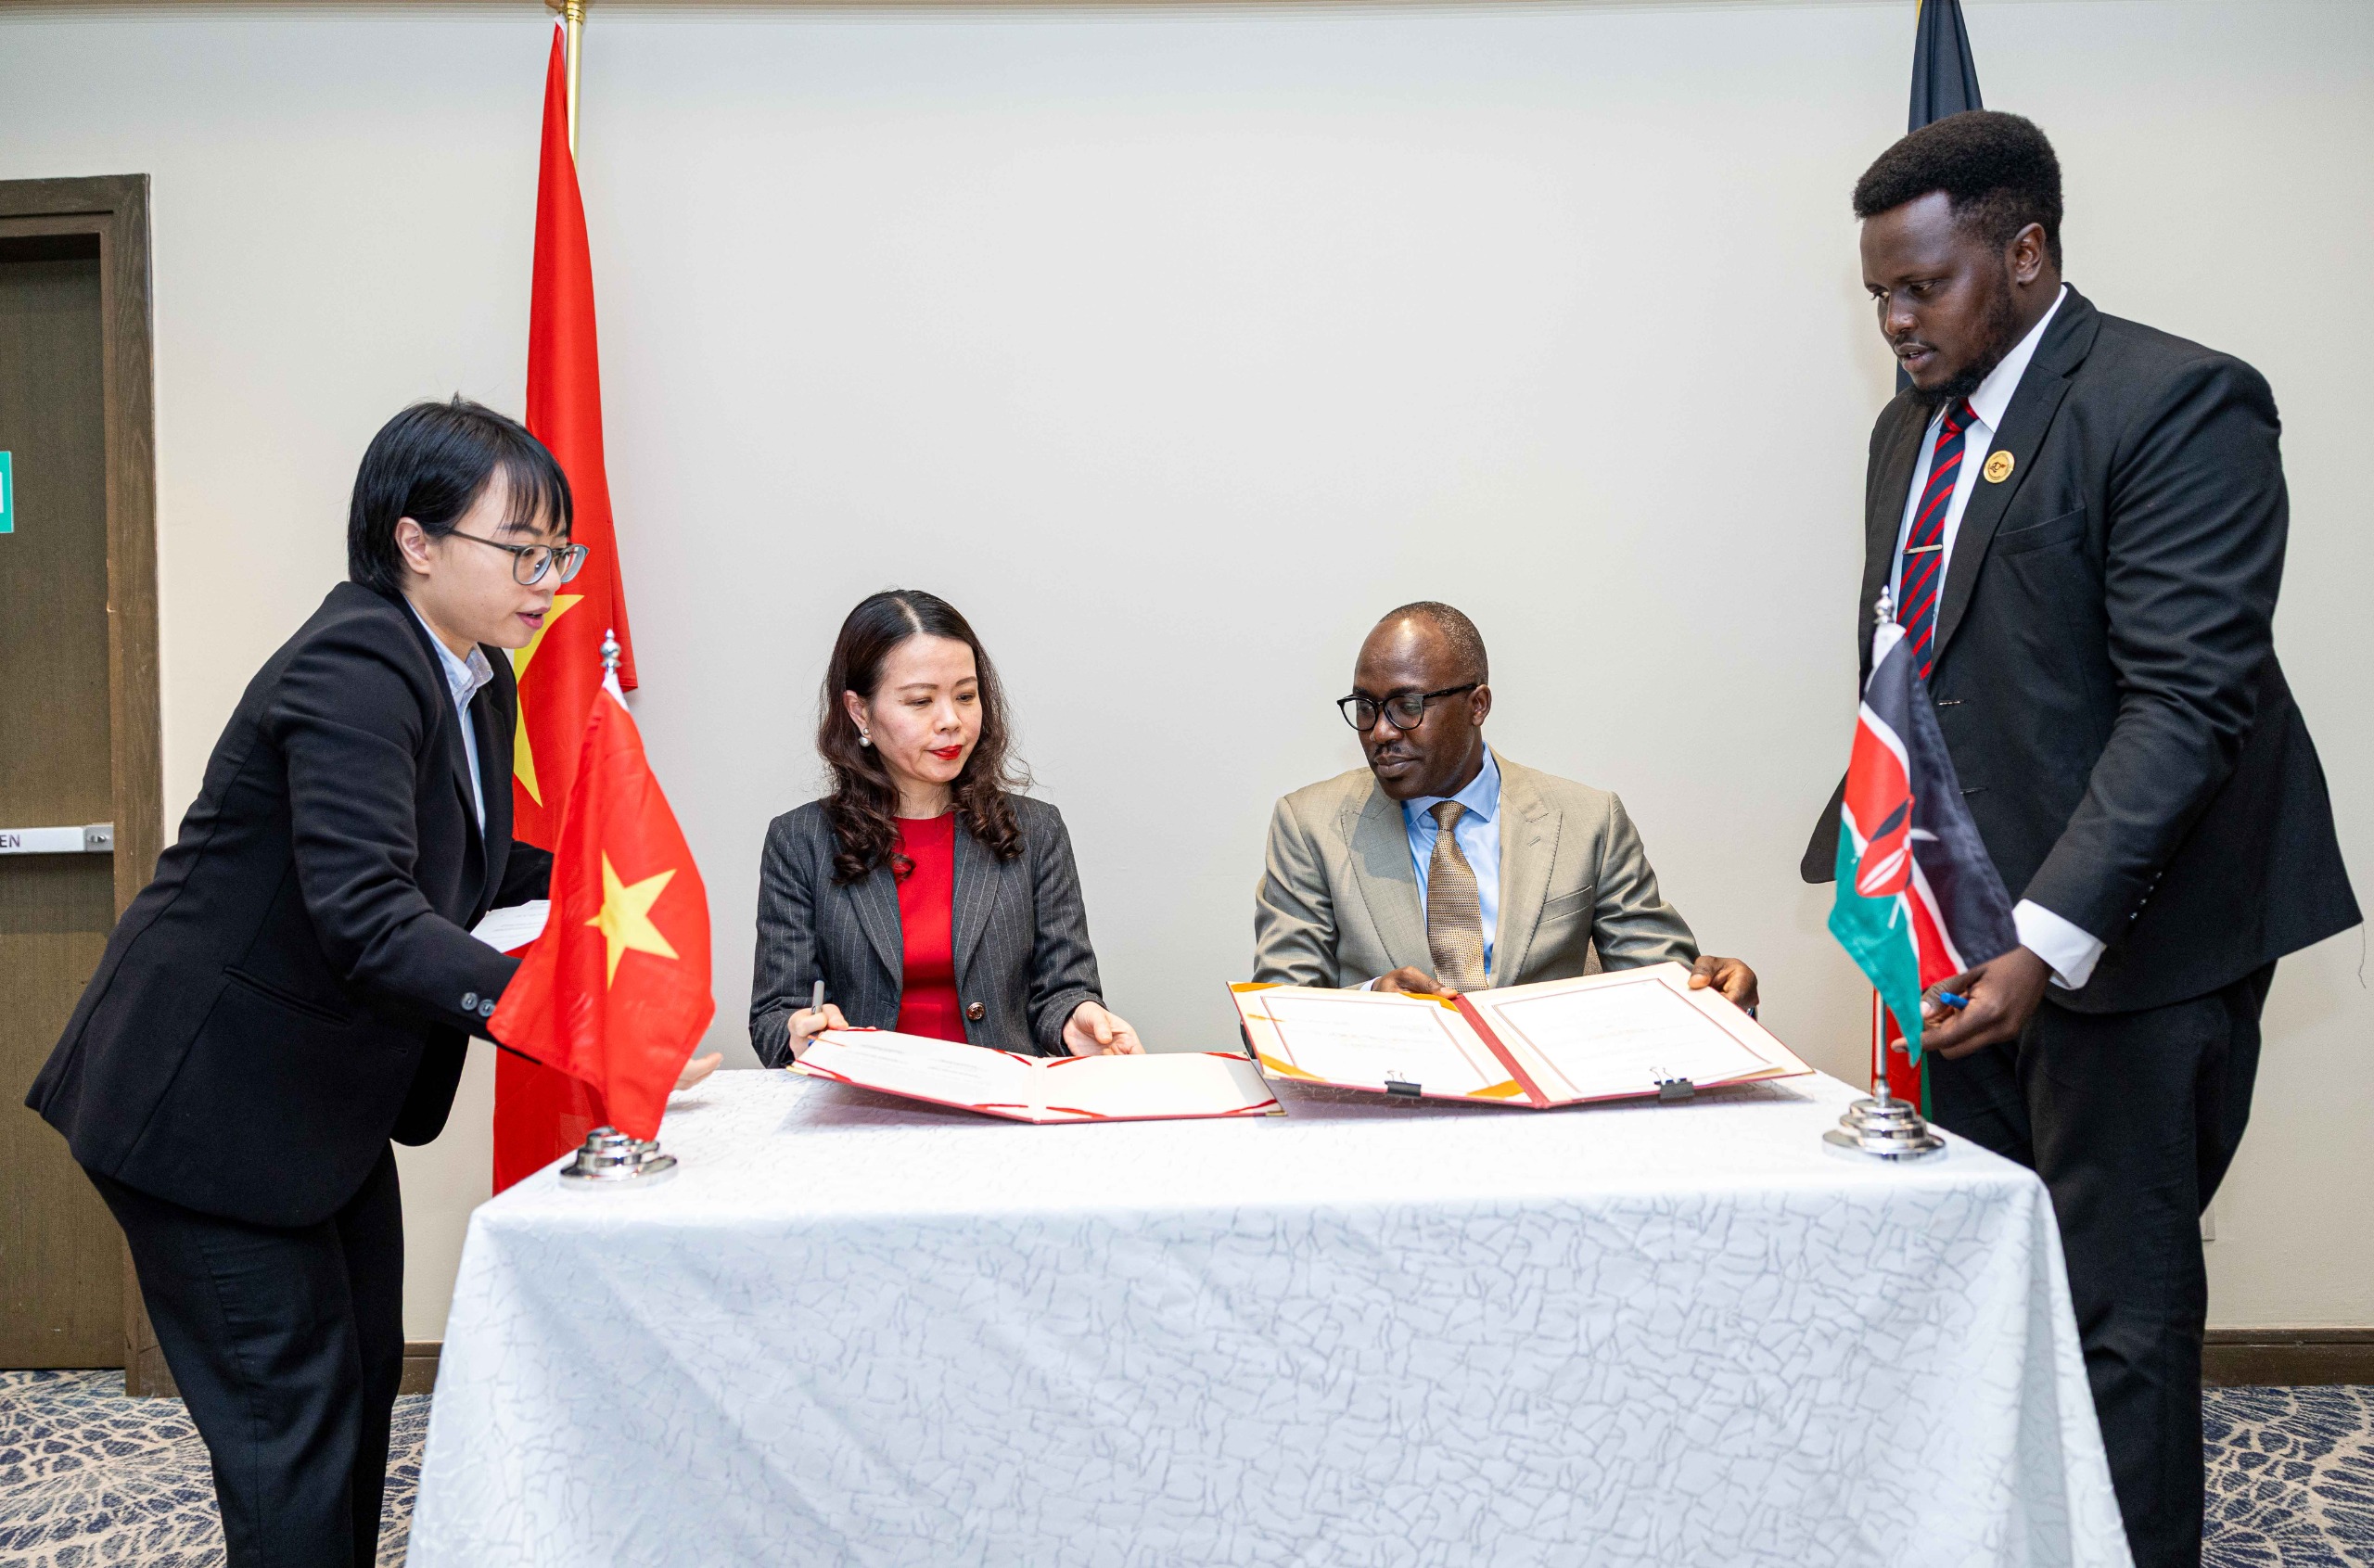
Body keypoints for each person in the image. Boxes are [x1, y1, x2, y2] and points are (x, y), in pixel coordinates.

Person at [1803, 111, 2357, 1568]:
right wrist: (1890, 875)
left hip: (2130, 946)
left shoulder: (2176, 403)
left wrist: (2042, 938)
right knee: (1995, 1287)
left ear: (2029, 250)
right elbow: (1914, 665)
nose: (1897, 321)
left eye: (1922, 286)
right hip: (1955, 951)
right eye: (1877, 295)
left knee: (2121, 1316)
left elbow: (2189, 704)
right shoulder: (1905, 428)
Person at [24, 398, 581, 1568]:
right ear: (415, 542)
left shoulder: (474, 672)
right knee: (294, 1424)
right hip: (203, 1104)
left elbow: (464, 860)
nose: (545, 576)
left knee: (363, 1376)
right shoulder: (356, 658)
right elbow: (370, 911)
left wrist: (602, 891)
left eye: (555, 551)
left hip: (312, 1104)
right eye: (521, 547)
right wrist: (554, 1014)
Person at [1255, 601, 1757, 1006]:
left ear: (1477, 705)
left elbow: (1666, 985)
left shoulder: (1587, 821)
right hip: (1396, 1103)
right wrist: (1371, 1003)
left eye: (1406, 707)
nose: (1380, 732)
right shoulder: (1309, 826)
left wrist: (1719, 994)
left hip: (1554, 1104)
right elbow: (1277, 1009)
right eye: (1366, 707)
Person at [750, 589, 1143, 1065]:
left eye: (965, 696)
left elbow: (1062, 987)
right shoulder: (800, 841)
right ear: (860, 712)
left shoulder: (1036, 829)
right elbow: (775, 1016)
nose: (951, 721)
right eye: (920, 701)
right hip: (862, 1111)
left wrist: (1075, 1019)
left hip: (1001, 1104)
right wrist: (798, 1033)